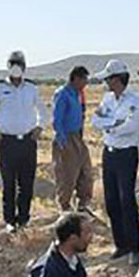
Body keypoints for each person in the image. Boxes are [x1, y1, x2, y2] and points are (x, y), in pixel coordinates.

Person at [0, 51, 47, 232]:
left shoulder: (31, 88)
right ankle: (9, 221)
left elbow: (43, 110)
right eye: (13, 63)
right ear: (8, 66)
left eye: (19, 63)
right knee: (8, 183)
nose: (16, 67)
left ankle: (23, 219)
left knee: (26, 184)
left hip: (28, 142)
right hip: (7, 143)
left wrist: (40, 127)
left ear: (24, 67)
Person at [90, 59, 139, 264]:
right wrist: (114, 124)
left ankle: (134, 247)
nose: (105, 82)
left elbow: (132, 126)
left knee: (126, 199)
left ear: (118, 78)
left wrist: (109, 125)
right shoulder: (107, 99)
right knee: (111, 200)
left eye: (108, 78)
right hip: (109, 153)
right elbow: (96, 121)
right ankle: (121, 244)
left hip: (126, 154)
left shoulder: (134, 100)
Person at [51, 66, 94, 214]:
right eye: (84, 80)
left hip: (77, 136)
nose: (86, 84)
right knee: (68, 175)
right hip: (66, 138)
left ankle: (83, 205)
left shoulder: (78, 94)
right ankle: (65, 208)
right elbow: (57, 120)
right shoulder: (63, 94)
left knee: (86, 172)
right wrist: (62, 142)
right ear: (75, 78)